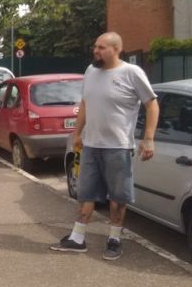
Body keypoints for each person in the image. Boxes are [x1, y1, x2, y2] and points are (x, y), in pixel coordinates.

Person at [50, 32, 159, 260]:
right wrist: (77, 132)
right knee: (85, 194)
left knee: (117, 198)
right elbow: (85, 103)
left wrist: (148, 138)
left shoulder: (132, 73)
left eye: (101, 47)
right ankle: (77, 238)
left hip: (118, 147)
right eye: (95, 47)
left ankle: (114, 239)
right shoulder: (91, 71)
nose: (95, 51)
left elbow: (152, 105)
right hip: (91, 145)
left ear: (116, 49)